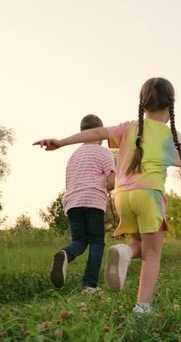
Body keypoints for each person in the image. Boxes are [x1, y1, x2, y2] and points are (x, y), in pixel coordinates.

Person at [34, 77, 181, 314]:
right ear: (171, 104)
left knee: (138, 245)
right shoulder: (172, 137)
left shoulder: (129, 128)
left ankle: (125, 251)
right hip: (149, 195)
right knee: (152, 253)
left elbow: (98, 132)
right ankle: (142, 307)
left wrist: (62, 142)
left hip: (123, 197)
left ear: (142, 105)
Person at [49, 114, 116, 293]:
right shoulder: (104, 152)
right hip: (93, 201)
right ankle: (89, 285)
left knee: (79, 240)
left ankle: (65, 254)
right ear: (100, 134)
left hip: (72, 202)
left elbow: (69, 182)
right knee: (96, 242)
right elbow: (111, 183)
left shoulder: (74, 156)